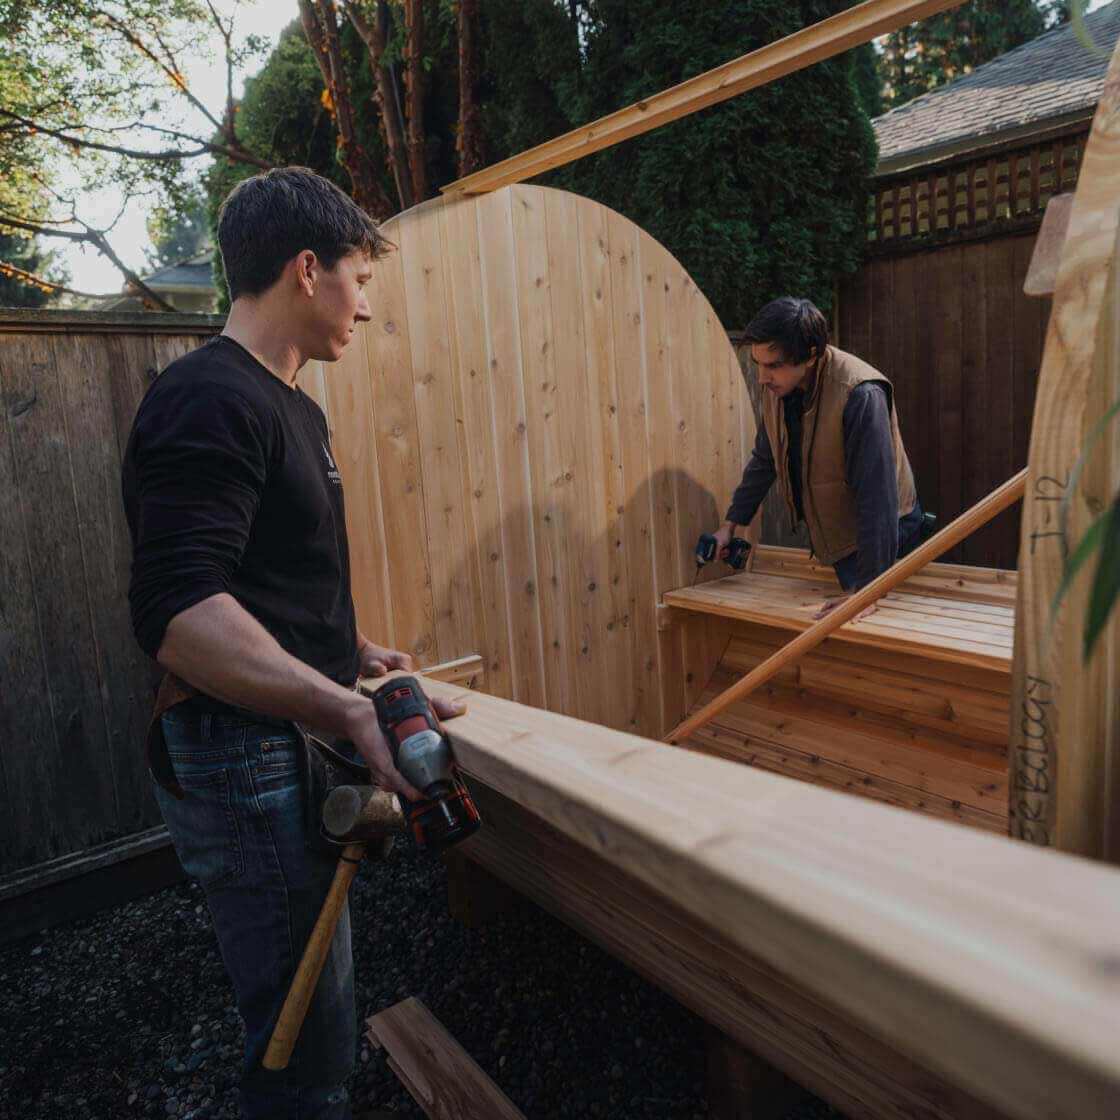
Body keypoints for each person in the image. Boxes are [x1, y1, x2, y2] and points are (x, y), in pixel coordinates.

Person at [121, 165, 463, 1120]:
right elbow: (182, 613)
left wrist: (351, 650)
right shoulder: (206, 397)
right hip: (242, 756)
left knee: (315, 1018)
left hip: (277, 744)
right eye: (360, 276)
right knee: (301, 1048)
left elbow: (256, 577)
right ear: (307, 269)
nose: (367, 303)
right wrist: (346, 708)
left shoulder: (292, 406)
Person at [711, 297, 922, 617]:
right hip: (844, 537)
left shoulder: (860, 394)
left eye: (773, 365)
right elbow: (765, 460)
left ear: (810, 356)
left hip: (884, 536)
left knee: (859, 629)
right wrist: (731, 524)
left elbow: (877, 498)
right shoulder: (779, 390)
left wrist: (866, 591)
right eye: (758, 364)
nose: (762, 378)